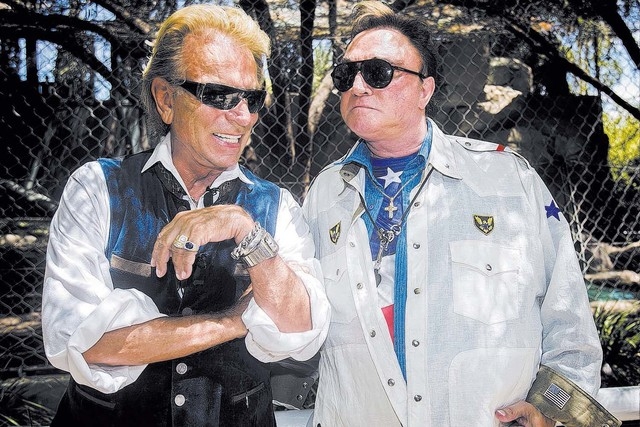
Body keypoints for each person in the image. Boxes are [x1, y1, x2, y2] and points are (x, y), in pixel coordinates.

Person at [303, 2, 618, 426]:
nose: (357, 86)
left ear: (425, 91)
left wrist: (550, 408)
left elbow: (569, 317)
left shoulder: (507, 180)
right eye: (346, 75)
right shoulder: (322, 196)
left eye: (378, 72)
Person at [41, 4, 330, 426]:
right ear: (165, 99)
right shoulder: (98, 188)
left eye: (252, 98)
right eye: (218, 95)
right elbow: (79, 339)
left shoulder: (276, 206)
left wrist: (245, 230)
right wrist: (235, 320)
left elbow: (302, 330)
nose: (243, 116)